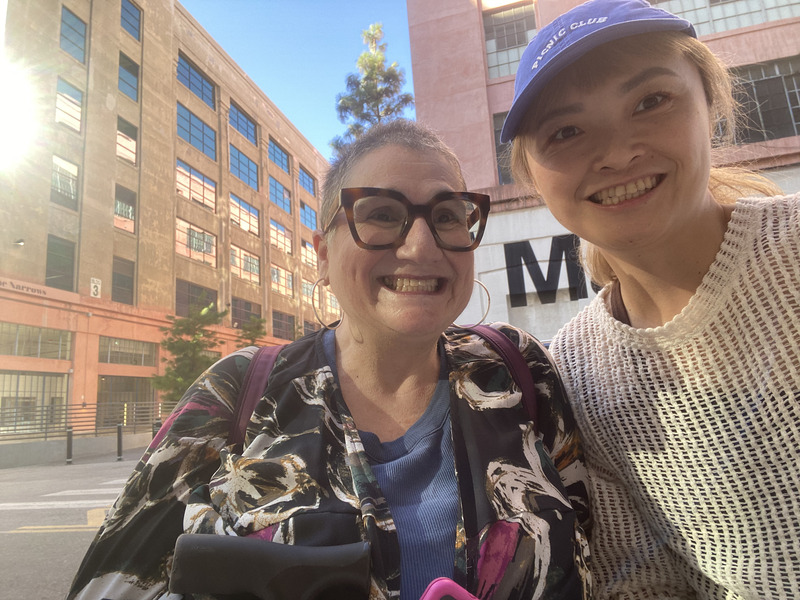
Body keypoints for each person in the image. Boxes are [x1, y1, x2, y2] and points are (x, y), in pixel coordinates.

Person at [67, 119, 591, 600]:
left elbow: (601, 565)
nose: (420, 245)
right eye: (381, 214)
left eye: (448, 216)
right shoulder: (237, 389)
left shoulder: (520, 371)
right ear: (322, 254)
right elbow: (107, 587)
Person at [501, 0, 800, 597]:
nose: (617, 154)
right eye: (566, 131)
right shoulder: (573, 372)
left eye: (651, 101)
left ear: (710, 106)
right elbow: (645, 580)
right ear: (532, 176)